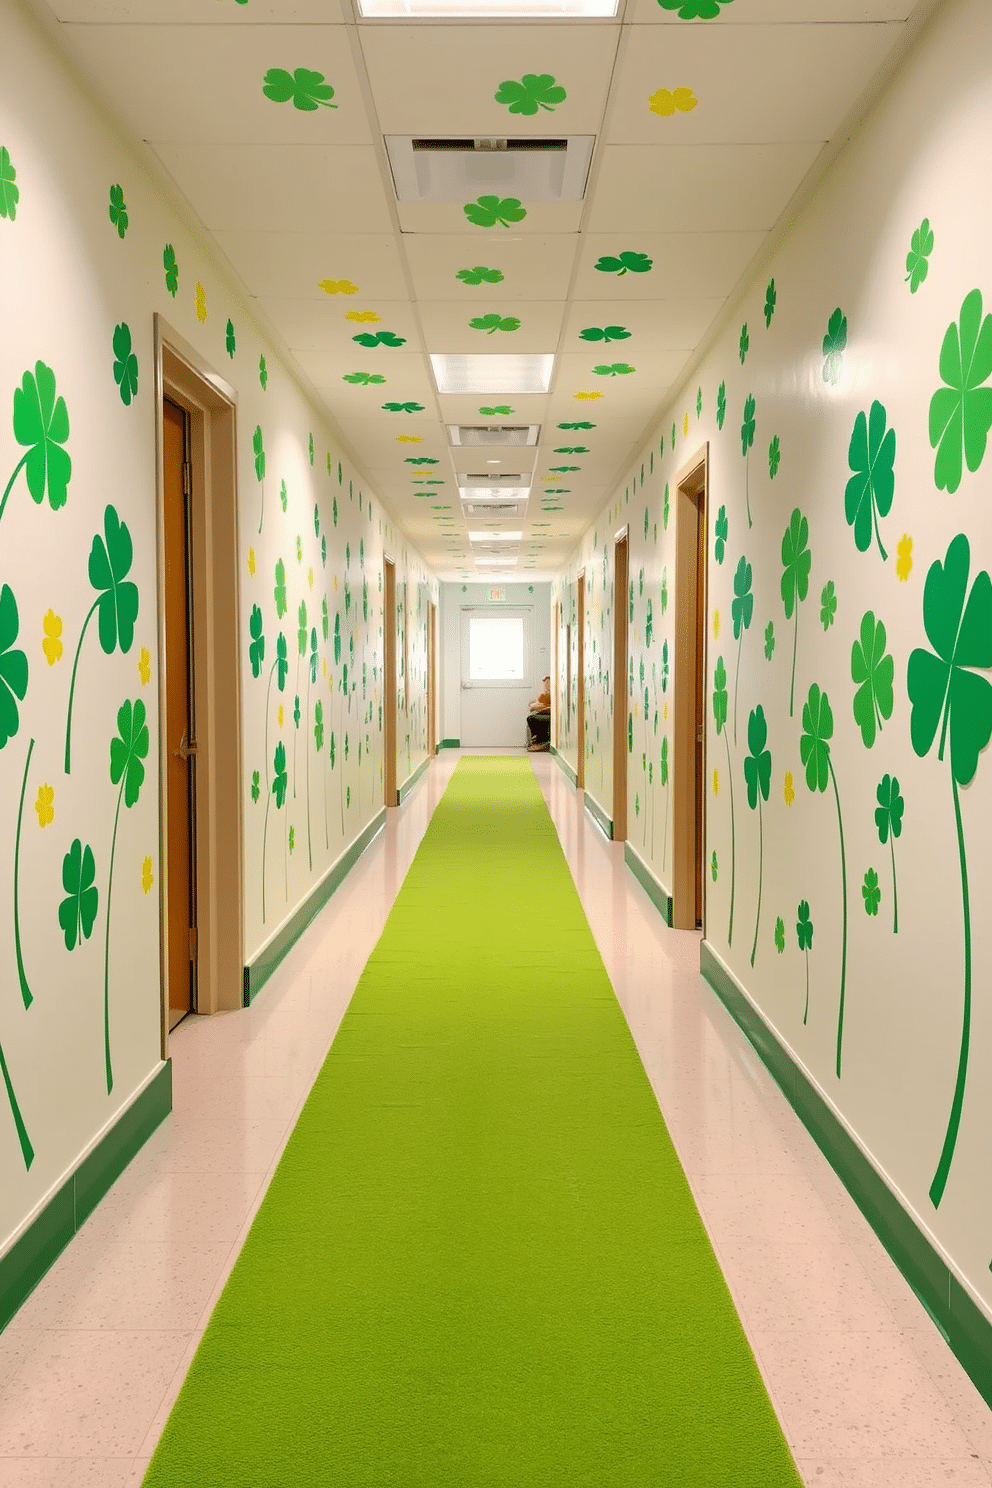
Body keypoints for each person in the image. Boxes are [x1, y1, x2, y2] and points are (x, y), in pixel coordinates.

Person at [526, 676, 551, 751]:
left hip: (550, 714)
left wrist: (541, 709)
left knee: (532, 718)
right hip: (546, 713)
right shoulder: (545, 693)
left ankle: (541, 742)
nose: (545, 684)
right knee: (531, 718)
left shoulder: (553, 693)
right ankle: (537, 741)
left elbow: (552, 707)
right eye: (545, 683)